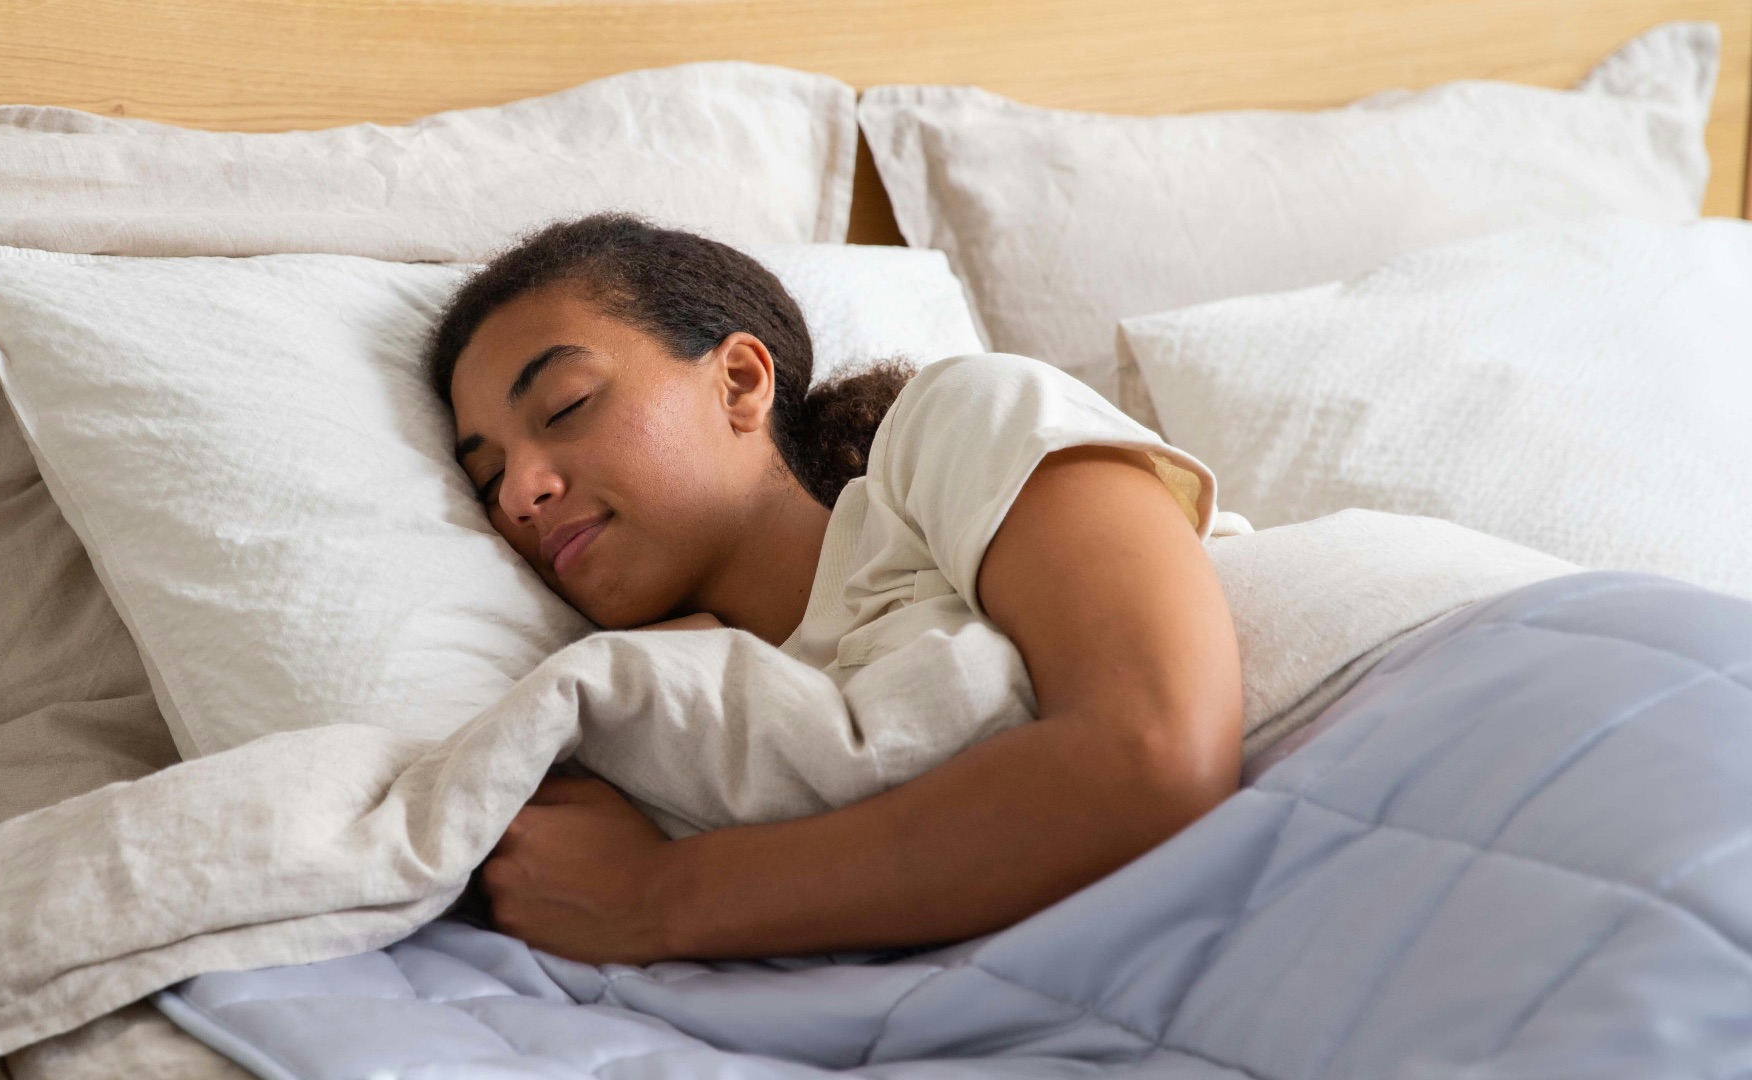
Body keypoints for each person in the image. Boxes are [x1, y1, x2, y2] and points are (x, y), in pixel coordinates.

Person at [426, 214, 1243, 965]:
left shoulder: (958, 424)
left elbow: (1154, 752)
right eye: (488, 478)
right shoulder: (647, 714)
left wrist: (662, 894)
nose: (520, 493)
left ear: (739, 382)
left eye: (566, 405)